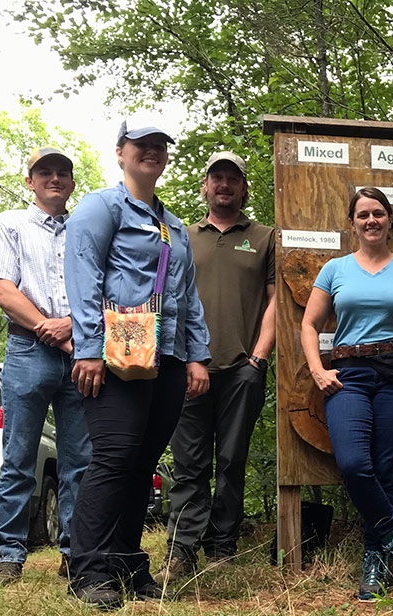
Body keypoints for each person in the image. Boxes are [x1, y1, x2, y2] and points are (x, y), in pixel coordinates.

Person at [64, 114, 211, 609]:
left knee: (142, 462)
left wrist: (196, 358)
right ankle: (89, 569)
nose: (152, 150)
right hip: (116, 354)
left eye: (159, 145)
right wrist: (88, 349)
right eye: (140, 143)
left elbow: (188, 297)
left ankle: (126, 564)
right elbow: (83, 278)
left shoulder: (174, 227)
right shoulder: (101, 207)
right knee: (114, 457)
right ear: (121, 153)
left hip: (167, 357)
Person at [300, 187, 393, 601]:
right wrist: (317, 370)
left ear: (390, 218)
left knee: (386, 467)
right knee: (355, 463)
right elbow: (309, 325)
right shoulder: (334, 269)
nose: (371, 220)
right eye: (363, 215)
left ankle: (373, 561)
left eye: (379, 213)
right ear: (353, 222)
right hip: (349, 375)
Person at [0, 147, 92, 585]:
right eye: (45, 172)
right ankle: (8, 552)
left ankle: (75, 552)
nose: (54, 179)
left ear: (72, 183)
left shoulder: (86, 228)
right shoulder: (9, 224)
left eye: (63, 172)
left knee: (79, 458)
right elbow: (2, 290)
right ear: (30, 181)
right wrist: (47, 326)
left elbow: (100, 288)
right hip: (28, 351)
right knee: (19, 455)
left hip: (81, 352)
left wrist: (70, 328)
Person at [160, 151, 276, 583]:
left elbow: (275, 301)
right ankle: (181, 549)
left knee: (231, 460)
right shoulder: (181, 236)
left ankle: (222, 547)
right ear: (205, 187)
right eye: (217, 178)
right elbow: (168, 298)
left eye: (233, 178)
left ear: (244, 188)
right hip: (189, 366)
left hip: (242, 367)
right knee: (189, 463)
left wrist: (259, 357)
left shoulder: (265, 237)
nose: (224, 184)